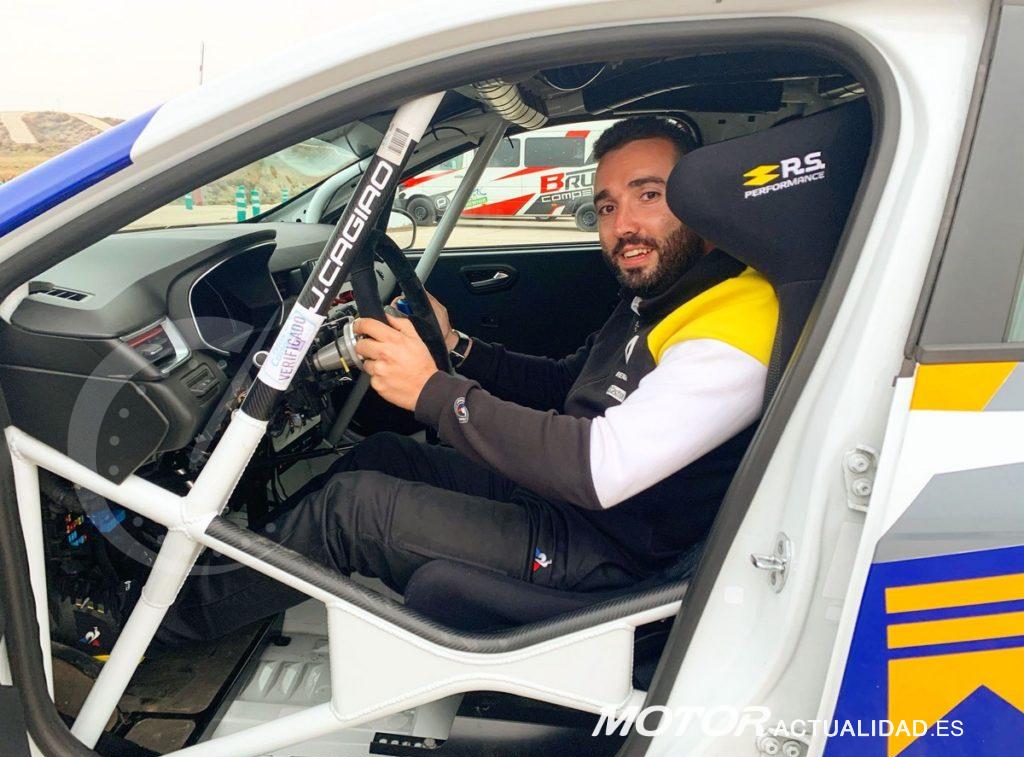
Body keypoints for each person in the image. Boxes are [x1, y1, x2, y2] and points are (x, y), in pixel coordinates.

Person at [157, 116, 779, 644]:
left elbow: (602, 465)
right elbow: (566, 384)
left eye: (649, 195)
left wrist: (433, 391)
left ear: (703, 200)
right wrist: (456, 346)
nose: (623, 226)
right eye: (608, 206)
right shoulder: (661, 293)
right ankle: (227, 573)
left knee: (349, 512)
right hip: (567, 505)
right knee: (383, 453)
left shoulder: (739, 317)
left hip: (607, 554)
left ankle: (164, 621)